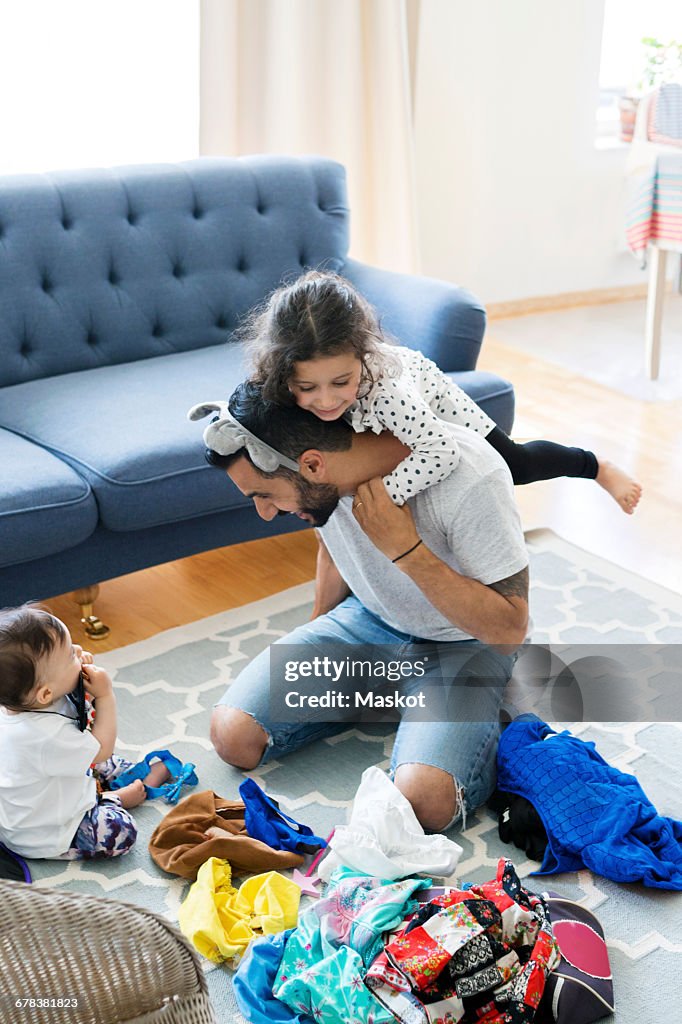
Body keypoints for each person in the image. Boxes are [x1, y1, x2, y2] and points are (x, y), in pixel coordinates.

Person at [189, 380, 530, 833]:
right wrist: (311, 648)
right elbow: (335, 549)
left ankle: (477, 721)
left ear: (312, 464)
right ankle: (393, 696)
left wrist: (407, 549)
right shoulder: (322, 482)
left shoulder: (470, 475)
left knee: (423, 804)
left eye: (264, 495)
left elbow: (509, 629)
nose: (265, 513)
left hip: (464, 644)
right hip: (369, 622)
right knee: (234, 736)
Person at [243, 270, 642, 514]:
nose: (326, 400)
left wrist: (385, 493)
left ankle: (595, 466)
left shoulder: (389, 394)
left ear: (362, 358)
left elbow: (441, 453)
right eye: (307, 387)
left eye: (340, 383)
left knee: (516, 464)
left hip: (438, 406)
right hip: (379, 414)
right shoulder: (282, 380)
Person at [0, 606, 169, 860]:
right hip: (47, 832)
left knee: (97, 760)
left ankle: (107, 787)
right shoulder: (44, 736)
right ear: (45, 693)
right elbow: (102, 749)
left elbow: (80, 719)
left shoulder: (28, 702)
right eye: (70, 655)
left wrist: (77, 677)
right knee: (121, 833)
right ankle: (114, 797)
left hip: (44, 794)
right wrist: (105, 695)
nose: (79, 651)